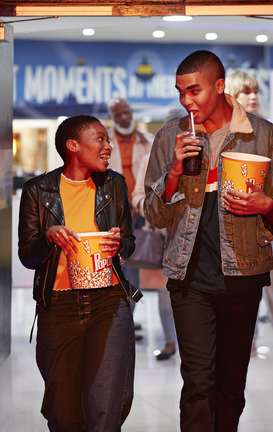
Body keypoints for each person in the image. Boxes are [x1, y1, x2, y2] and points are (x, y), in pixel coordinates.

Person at [142, 51, 273, 431]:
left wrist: (265, 205)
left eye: (194, 90)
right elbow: (154, 213)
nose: (186, 101)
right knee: (197, 382)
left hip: (243, 273)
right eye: (180, 92)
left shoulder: (263, 135)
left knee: (230, 384)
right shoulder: (169, 138)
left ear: (221, 86)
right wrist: (174, 171)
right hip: (188, 278)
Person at [18, 115, 140, 431]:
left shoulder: (114, 184)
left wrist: (118, 244)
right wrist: (48, 237)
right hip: (57, 309)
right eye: (99, 139)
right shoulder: (38, 190)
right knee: (63, 414)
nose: (108, 146)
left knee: (104, 411)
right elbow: (27, 257)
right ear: (74, 145)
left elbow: (129, 244)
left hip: (109, 304)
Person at [226, 69, 273, 350]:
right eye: (245, 91)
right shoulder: (221, 133)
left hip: (265, 224)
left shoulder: (268, 131)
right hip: (232, 226)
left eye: (255, 91)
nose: (252, 97)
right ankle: (245, 343)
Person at [130, 107, 185, 361]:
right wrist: (156, 207)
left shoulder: (200, 156)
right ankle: (171, 342)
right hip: (162, 238)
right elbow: (138, 199)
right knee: (165, 294)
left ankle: (190, 343)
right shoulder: (150, 159)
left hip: (194, 238)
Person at [106, 96, 155, 340]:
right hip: (112, 216)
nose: (124, 117)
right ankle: (120, 322)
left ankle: (129, 321)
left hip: (138, 215)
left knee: (135, 271)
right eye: (118, 114)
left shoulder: (148, 141)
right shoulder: (103, 141)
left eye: (126, 112)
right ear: (112, 117)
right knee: (116, 270)